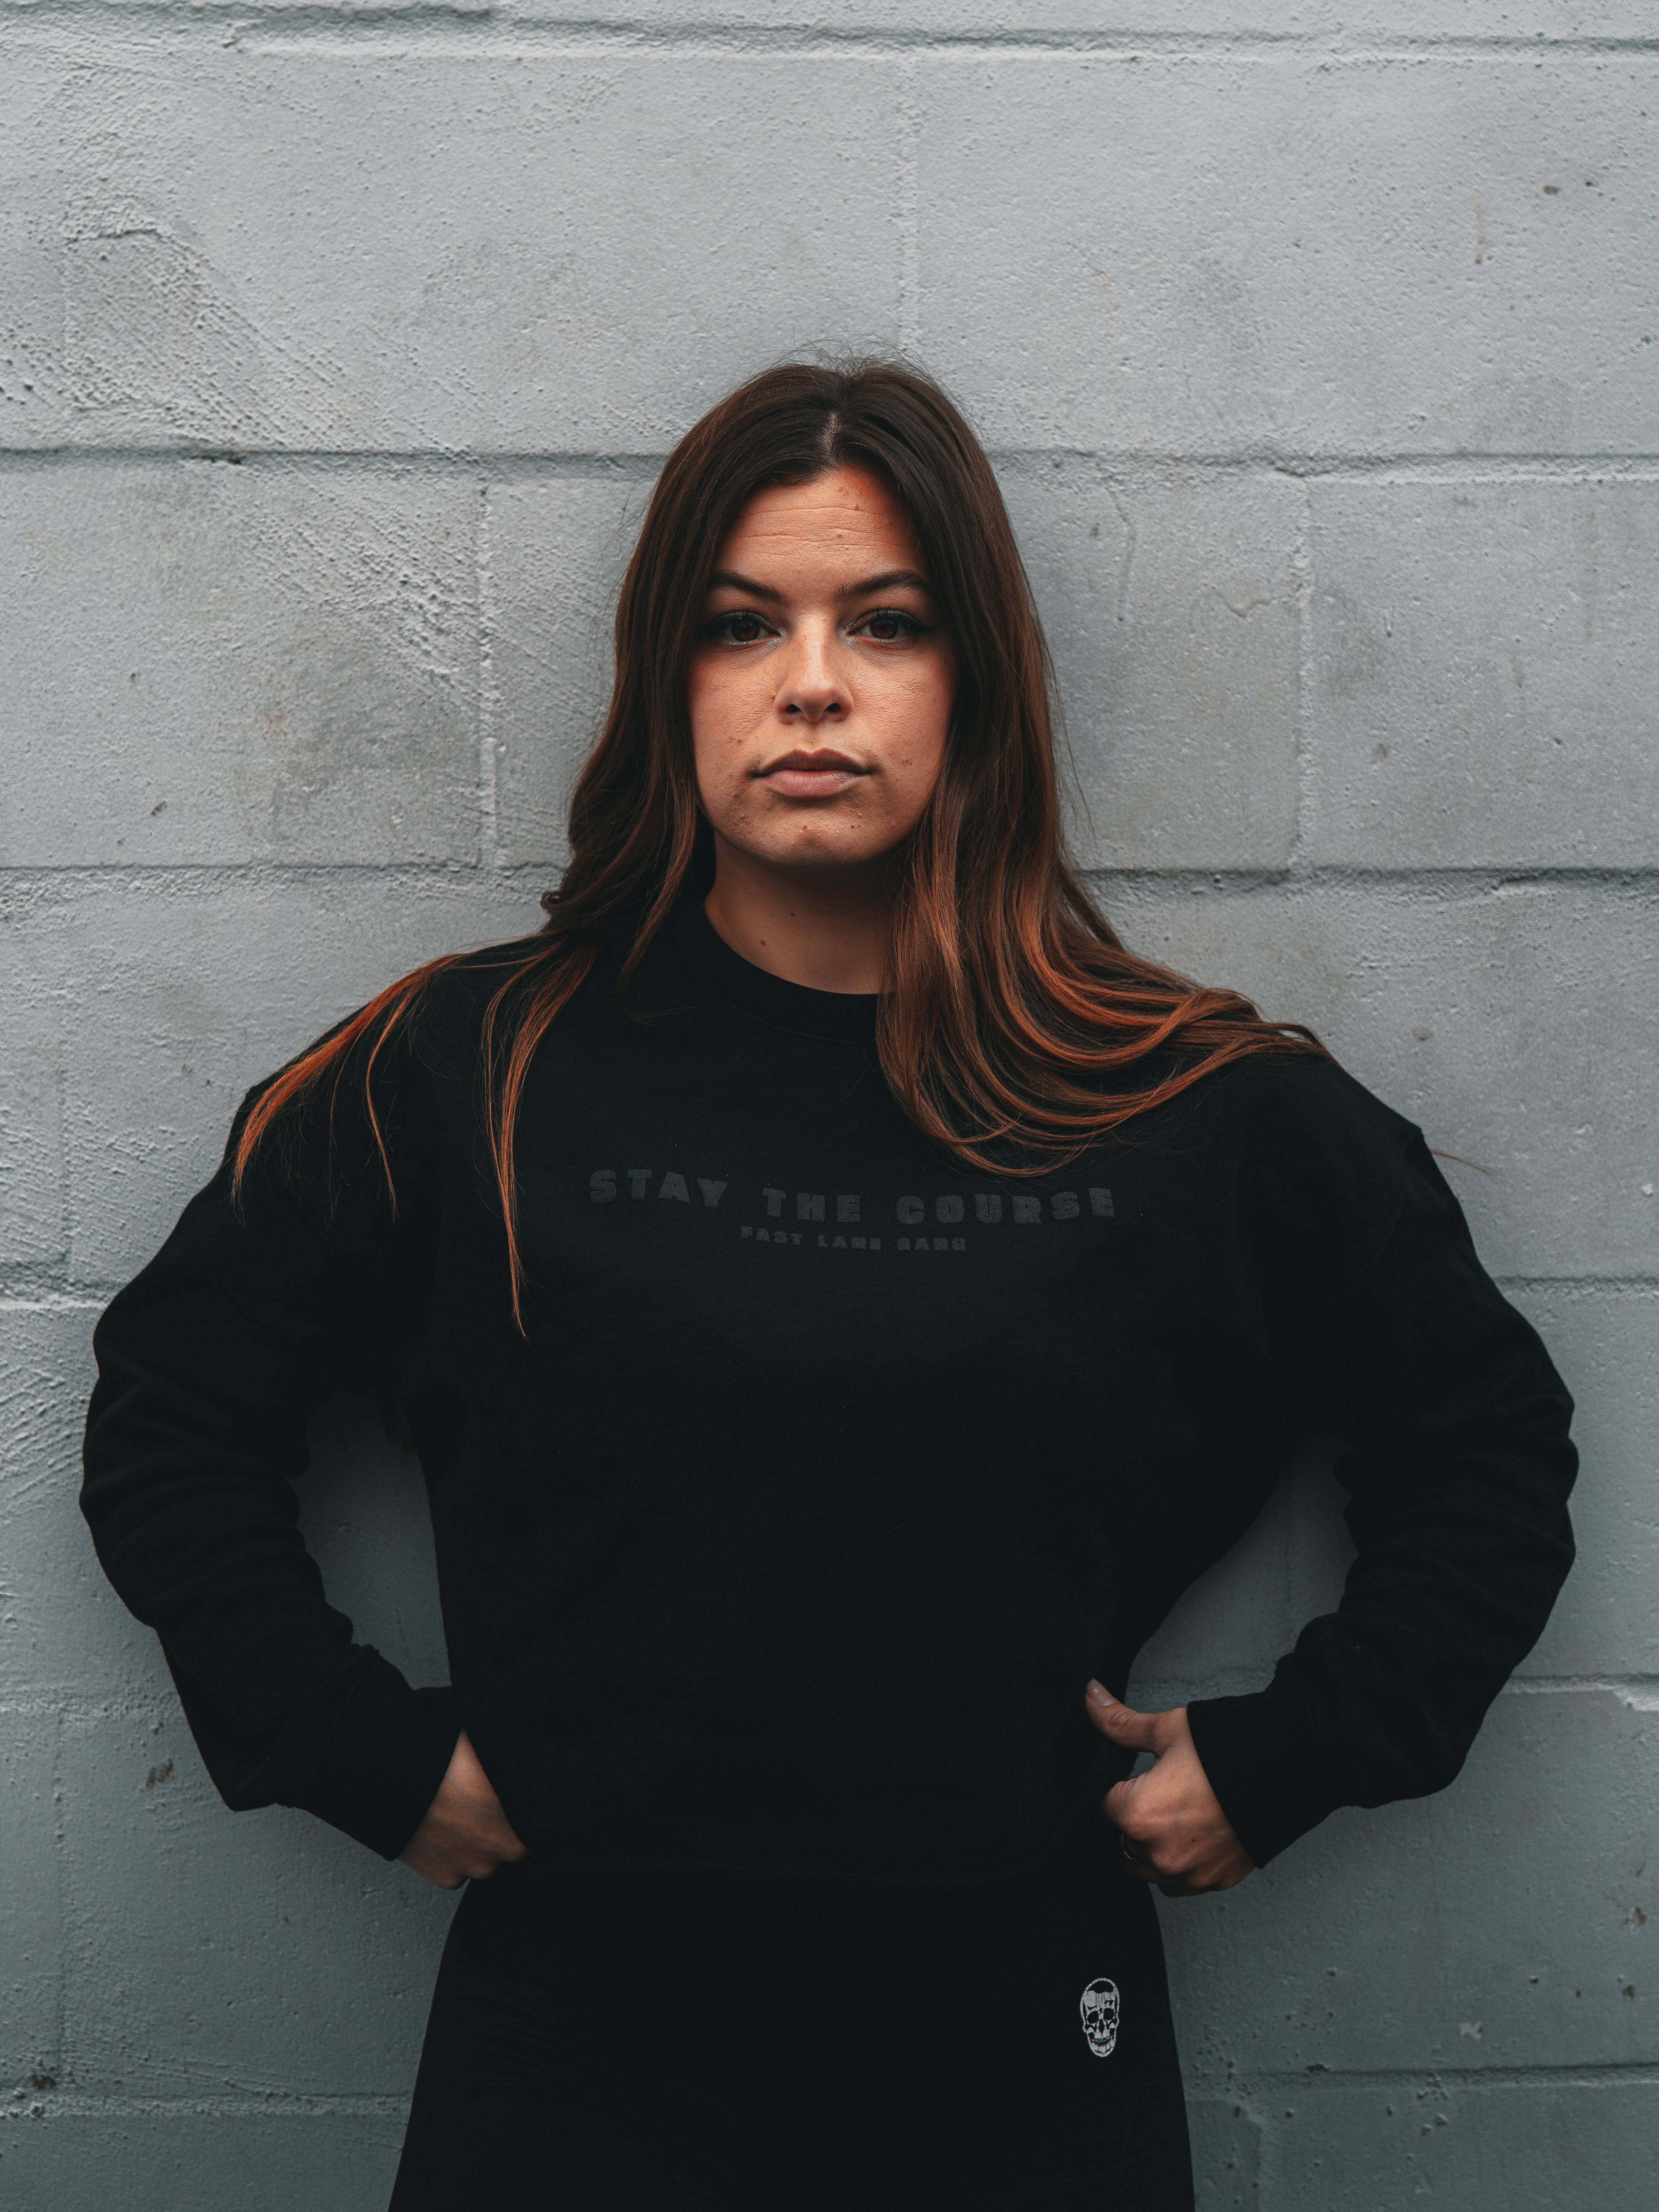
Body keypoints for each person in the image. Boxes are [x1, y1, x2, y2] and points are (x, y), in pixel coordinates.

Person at [81, 360, 1577, 2210]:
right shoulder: (467, 1068)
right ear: (667, 676)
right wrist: (356, 1749)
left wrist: (1294, 1755)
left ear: (975, 678)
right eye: (740, 625)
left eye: (886, 621)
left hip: (1017, 2026)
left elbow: (1485, 1448)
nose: (811, 683)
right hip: (579, 2037)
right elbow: (173, 1412)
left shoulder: (1189, 1101)